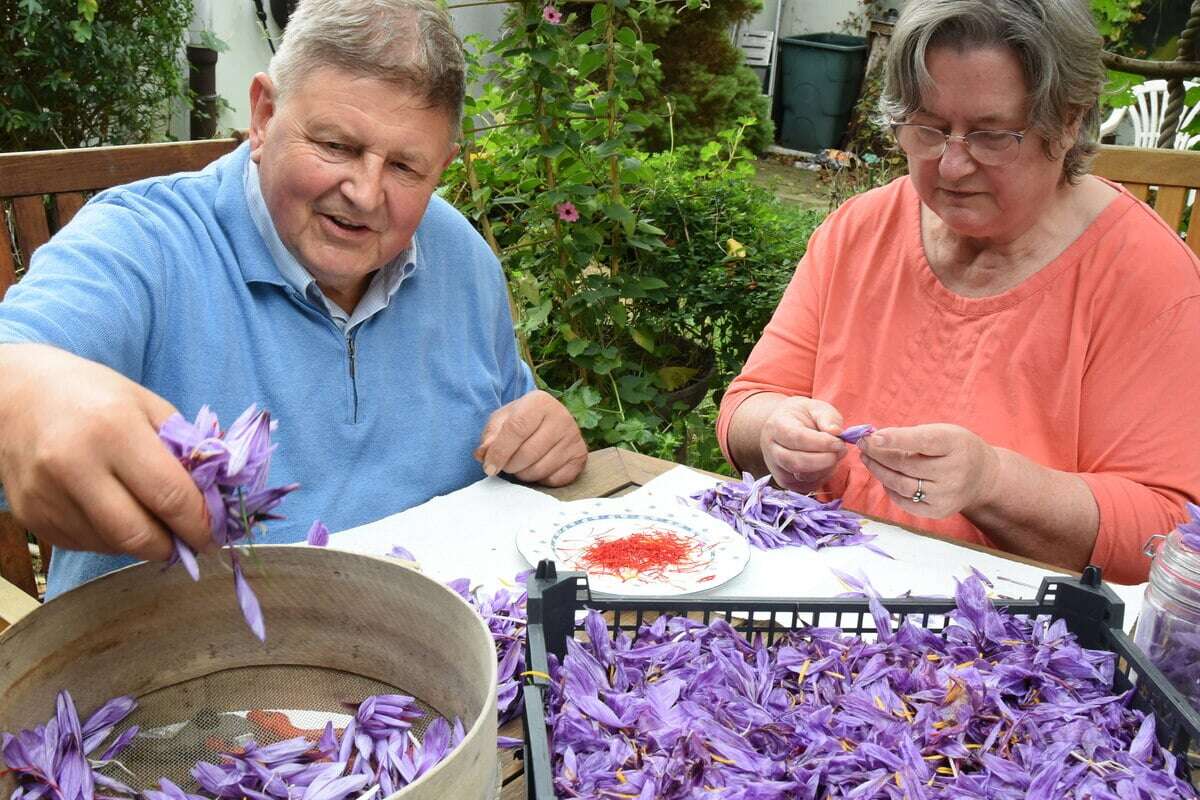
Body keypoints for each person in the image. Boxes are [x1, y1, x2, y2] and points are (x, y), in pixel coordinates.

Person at [0, 0, 587, 598]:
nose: (364, 193)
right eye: (336, 145)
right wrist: (26, 398)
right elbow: (14, 366)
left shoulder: (460, 256)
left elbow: (510, 416)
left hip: (426, 645)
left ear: (442, 166)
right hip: (169, 666)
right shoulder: (142, 241)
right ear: (264, 115)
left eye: (406, 167)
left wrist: (540, 432)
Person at [719, 0, 1200, 585]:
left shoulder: (1145, 277)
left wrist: (990, 482)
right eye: (928, 128)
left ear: (1069, 122)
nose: (950, 165)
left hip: (1011, 638)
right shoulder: (860, 229)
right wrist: (776, 432)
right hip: (818, 595)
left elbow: (1166, 533)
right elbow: (748, 404)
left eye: (992, 136)